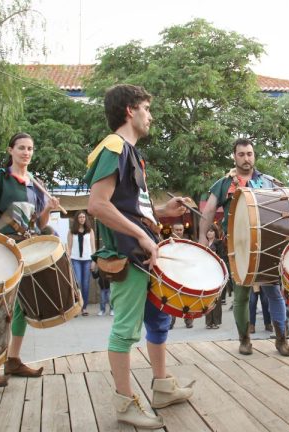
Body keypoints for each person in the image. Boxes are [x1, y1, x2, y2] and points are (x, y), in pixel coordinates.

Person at [86, 84, 194, 428]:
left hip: (143, 253)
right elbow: (97, 205)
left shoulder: (130, 152)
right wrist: (142, 237)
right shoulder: (114, 147)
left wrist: (162, 211)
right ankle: (124, 403)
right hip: (127, 254)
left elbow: (129, 209)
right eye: (146, 108)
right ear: (130, 110)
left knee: (158, 321)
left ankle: (161, 387)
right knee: (125, 330)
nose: (151, 116)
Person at [0, 132, 61, 390]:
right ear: (11, 150)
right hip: (2, 249)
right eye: (21, 148)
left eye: (30, 148)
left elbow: (39, 223)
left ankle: (13, 360)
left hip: (26, 249)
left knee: (21, 307)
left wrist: (48, 208)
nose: (26, 152)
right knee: (0, 308)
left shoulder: (36, 184)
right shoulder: (0, 177)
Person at [198, 138, 289, 356]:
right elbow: (209, 210)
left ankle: (281, 339)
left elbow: (284, 206)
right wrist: (202, 237)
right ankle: (244, 340)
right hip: (238, 248)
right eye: (241, 154)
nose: (246, 158)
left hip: (266, 246)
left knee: (274, 293)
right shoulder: (223, 184)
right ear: (234, 157)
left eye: (249, 154)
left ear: (254, 155)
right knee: (241, 296)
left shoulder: (268, 182)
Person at [68, 211, 96, 316]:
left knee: (85, 284)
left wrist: (94, 261)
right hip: (75, 259)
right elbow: (69, 247)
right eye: (80, 217)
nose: (82, 219)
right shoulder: (71, 231)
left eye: (84, 217)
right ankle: (76, 307)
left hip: (87, 259)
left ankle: (84, 308)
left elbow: (93, 247)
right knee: (77, 282)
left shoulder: (90, 231)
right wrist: (68, 260)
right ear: (77, 219)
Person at [204, 225, 224, 329]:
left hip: (216, 272)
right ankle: (208, 322)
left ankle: (216, 321)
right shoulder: (205, 244)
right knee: (207, 297)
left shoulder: (219, 243)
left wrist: (215, 255)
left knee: (216, 297)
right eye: (208, 231)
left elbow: (223, 257)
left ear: (215, 232)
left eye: (211, 231)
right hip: (206, 272)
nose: (209, 233)